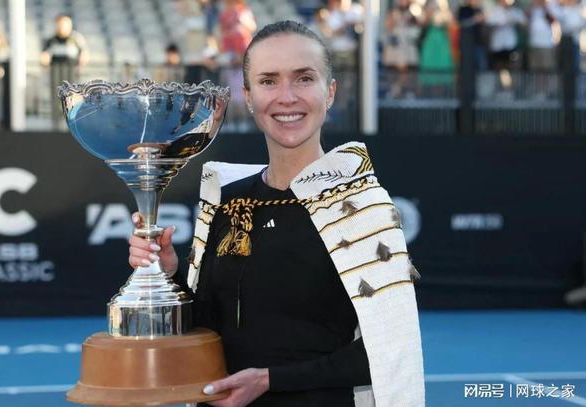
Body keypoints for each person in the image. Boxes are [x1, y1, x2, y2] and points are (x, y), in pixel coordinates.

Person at [128, 21, 425, 407]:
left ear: (330, 92)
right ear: (248, 96)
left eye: (304, 78)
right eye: (268, 81)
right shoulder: (228, 200)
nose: (287, 97)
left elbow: (390, 350)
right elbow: (208, 326)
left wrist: (270, 381)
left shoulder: (363, 208)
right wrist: (170, 274)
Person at [40, 14, 88, 130]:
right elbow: (44, 56)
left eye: (65, 23)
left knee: (72, 100)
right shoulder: (51, 40)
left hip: (71, 73)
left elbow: (84, 54)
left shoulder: (76, 38)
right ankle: (56, 126)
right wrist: (44, 60)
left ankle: (72, 126)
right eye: (60, 23)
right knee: (56, 99)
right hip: (56, 73)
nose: (62, 26)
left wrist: (80, 65)